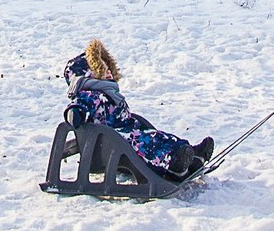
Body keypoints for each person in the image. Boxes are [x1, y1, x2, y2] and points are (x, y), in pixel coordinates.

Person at [62, 40, 214, 181]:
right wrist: (75, 114)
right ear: (87, 75)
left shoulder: (110, 93)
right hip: (107, 148)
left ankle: (192, 156)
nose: (107, 70)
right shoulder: (90, 95)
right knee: (145, 144)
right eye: (100, 68)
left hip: (123, 138)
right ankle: (174, 166)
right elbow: (78, 106)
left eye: (107, 67)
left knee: (157, 137)